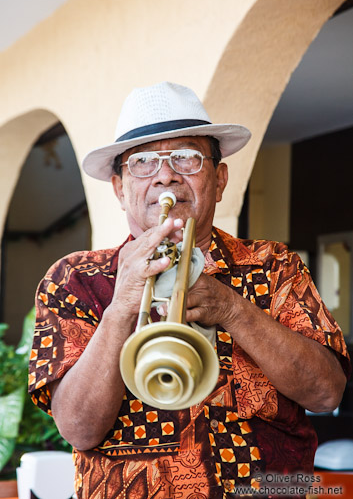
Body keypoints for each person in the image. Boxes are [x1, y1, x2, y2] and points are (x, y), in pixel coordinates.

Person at [29, 82, 350, 499]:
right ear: (119, 189)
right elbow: (79, 429)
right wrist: (121, 307)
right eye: (143, 162)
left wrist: (232, 310)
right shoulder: (74, 278)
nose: (165, 174)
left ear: (219, 178)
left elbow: (327, 393)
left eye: (186, 156)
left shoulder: (274, 266)